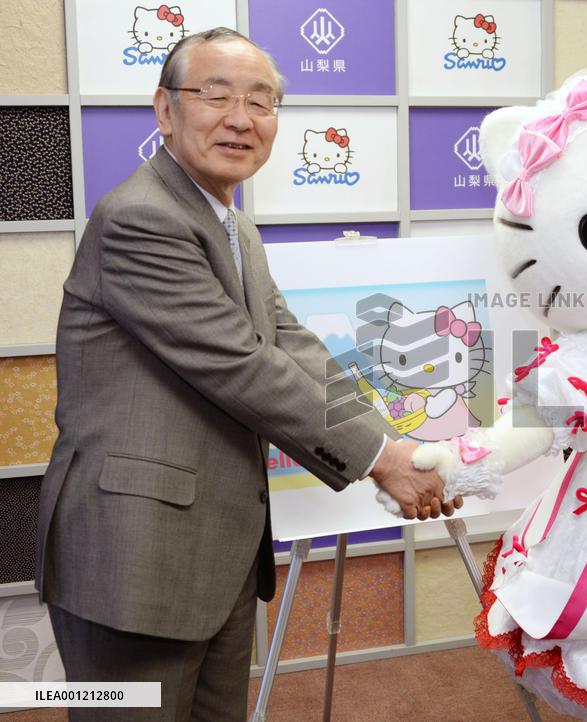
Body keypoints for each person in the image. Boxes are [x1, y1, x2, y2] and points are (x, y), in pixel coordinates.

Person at [35, 27, 457, 721]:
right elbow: (242, 364)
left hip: (214, 544)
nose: (241, 117)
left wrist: (392, 438)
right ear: (165, 110)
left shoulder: (232, 224)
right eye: (216, 94)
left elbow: (293, 345)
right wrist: (385, 459)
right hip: (133, 551)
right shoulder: (142, 218)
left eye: (261, 101)